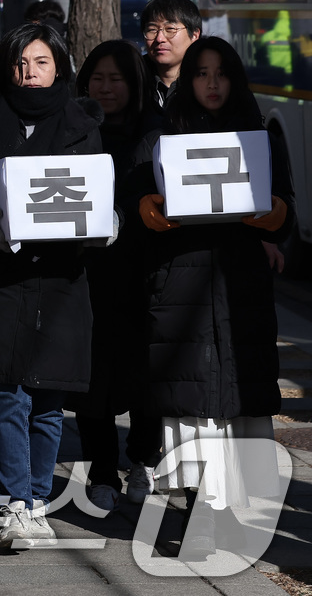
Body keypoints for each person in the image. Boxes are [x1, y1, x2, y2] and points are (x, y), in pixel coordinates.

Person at [133, 36, 292, 558]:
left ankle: (219, 512)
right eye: (201, 73)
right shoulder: (162, 134)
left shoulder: (259, 137)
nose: (212, 83)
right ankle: (202, 511)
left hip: (241, 286)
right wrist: (151, 209)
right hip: (181, 283)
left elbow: (285, 210)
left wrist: (271, 215)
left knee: (236, 402)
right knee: (192, 404)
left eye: (221, 73)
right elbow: (133, 202)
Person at [0, 22, 105, 550]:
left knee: (48, 398)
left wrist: (105, 221)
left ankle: (39, 501)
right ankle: (15, 502)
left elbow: (96, 187)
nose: (30, 73)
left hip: (61, 276)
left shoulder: (81, 118)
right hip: (1, 273)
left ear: (60, 66)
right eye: (20, 63)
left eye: (41, 62)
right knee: (7, 392)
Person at [69, 40, 163, 511]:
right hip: (89, 272)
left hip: (145, 271)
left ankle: (143, 458)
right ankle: (101, 470)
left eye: (117, 79)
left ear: (135, 84)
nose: (105, 88)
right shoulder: (71, 129)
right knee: (94, 377)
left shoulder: (156, 132)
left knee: (147, 372)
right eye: (97, 78)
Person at [141, 0, 202, 109]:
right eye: (152, 30)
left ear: (194, 35)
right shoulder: (134, 82)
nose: (159, 39)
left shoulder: (207, 83)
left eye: (170, 29)